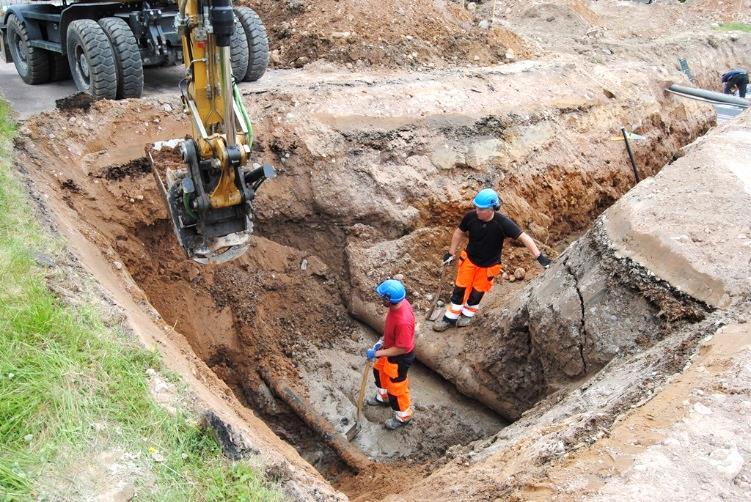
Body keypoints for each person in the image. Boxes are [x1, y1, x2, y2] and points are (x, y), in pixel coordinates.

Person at [433, 188, 552, 332]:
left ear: (492, 209)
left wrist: (540, 257)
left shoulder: (502, 223)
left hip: (489, 266)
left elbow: (524, 238)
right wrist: (451, 252)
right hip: (469, 260)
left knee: (477, 292)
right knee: (460, 289)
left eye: (481, 209)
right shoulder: (470, 217)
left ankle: (468, 314)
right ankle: (450, 318)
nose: (477, 211)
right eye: (476, 207)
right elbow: (459, 232)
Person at [365, 279, 416, 430]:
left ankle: (403, 417)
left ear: (389, 299)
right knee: (379, 371)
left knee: (396, 389)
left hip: (400, 357)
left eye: (383, 297)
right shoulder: (400, 303)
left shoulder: (403, 321)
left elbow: (402, 348)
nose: (381, 299)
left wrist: (377, 352)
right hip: (389, 348)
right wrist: (382, 341)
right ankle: (383, 398)